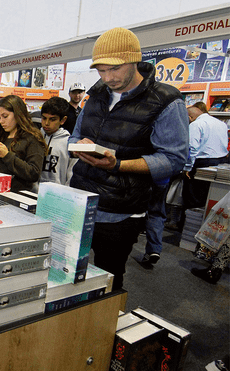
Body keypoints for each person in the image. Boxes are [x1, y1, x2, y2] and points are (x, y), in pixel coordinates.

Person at [68, 27, 189, 290]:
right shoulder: (96, 95)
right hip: (79, 202)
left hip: (120, 212)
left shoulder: (166, 100)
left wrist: (119, 164)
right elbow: (73, 136)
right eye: (101, 70)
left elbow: (174, 159)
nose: (108, 77)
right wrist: (77, 145)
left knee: (108, 280)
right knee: (67, 273)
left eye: (115, 69)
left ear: (134, 60)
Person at [0, 95, 46, 192]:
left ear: (18, 114)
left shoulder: (32, 138)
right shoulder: (0, 136)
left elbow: (34, 173)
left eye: (5, 116)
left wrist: (7, 155)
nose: (1, 121)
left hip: (18, 195)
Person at [182, 105, 228, 210]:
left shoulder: (196, 124)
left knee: (193, 198)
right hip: (221, 162)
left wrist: (187, 167)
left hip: (202, 163)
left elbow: (192, 148)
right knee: (212, 196)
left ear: (190, 118)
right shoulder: (221, 123)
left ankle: (189, 222)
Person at [39, 97, 76, 185]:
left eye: (52, 119)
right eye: (44, 118)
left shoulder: (69, 143)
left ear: (63, 120)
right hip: (34, 191)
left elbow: (71, 174)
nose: (46, 123)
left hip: (57, 193)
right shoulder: (36, 137)